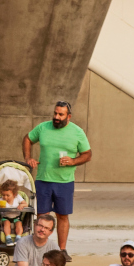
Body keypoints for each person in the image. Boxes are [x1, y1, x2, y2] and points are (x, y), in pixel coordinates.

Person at [21, 100, 91, 251]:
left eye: (61, 114)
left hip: (64, 182)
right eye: (55, 113)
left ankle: (62, 250)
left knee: (62, 216)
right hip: (43, 179)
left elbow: (87, 154)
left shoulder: (77, 132)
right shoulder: (43, 127)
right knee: (42, 217)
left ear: (69, 116)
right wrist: (28, 158)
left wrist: (73, 161)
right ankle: (40, 248)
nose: (57, 117)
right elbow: (27, 139)